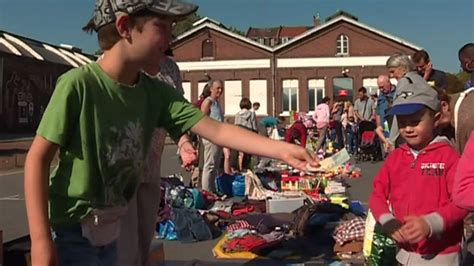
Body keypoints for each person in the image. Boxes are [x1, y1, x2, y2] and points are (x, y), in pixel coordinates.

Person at [24, 1, 319, 265]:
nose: (170, 41)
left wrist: (280, 149)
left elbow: (215, 129)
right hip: (75, 231)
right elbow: (37, 160)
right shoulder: (79, 85)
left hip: (112, 229)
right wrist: (40, 241)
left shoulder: (155, 93)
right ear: (125, 27)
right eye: (162, 28)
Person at [369, 77, 468, 265]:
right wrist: (387, 219)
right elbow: (377, 194)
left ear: (436, 119)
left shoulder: (448, 157)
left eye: (415, 122)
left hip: (441, 254)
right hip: (403, 252)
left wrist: (431, 223)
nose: (407, 129)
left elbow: (462, 203)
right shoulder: (396, 157)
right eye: (402, 122)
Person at [385, 53, 418, 151]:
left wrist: (391, 140)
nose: (391, 75)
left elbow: (399, 113)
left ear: (403, 68)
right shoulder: (418, 79)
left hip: (406, 135)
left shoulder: (404, 82)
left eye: (392, 71)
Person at [200, 79, 224, 192]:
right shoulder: (208, 101)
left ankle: (213, 190)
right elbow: (202, 119)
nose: (220, 90)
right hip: (210, 137)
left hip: (218, 137)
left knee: (215, 165)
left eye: (221, 88)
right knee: (209, 165)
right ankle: (206, 191)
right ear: (211, 89)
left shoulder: (217, 103)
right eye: (218, 88)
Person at [234, 97, 258, 170]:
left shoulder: (237, 114)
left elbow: (236, 125)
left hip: (239, 134)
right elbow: (254, 125)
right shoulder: (251, 114)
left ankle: (239, 168)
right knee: (248, 153)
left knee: (240, 153)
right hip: (248, 134)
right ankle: (246, 168)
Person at [374, 75, 396, 153]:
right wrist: (379, 126)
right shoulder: (381, 96)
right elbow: (378, 113)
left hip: (395, 130)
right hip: (385, 130)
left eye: (382, 87)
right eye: (379, 88)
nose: (381, 89)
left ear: (388, 82)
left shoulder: (397, 93)